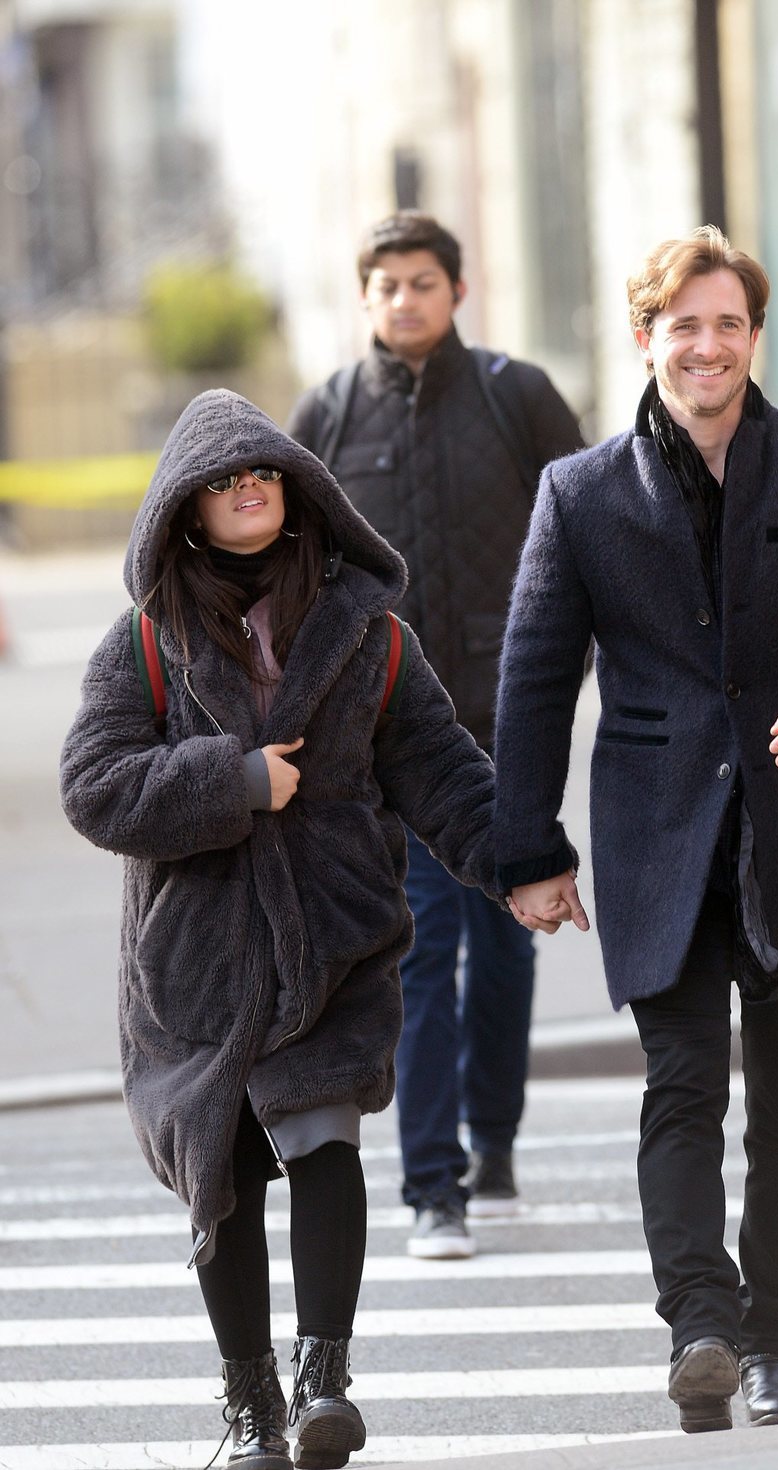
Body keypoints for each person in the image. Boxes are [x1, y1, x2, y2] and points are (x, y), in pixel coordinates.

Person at [493, 227, 778, 1434]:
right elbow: (534, 677)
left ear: (753, 336)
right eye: (681, 324)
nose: (705, 344)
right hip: (655, 835)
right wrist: (526, 849)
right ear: (645, 339)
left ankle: (773, 1347)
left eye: (726, 322)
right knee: (680, 1087)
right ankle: (698, 1323)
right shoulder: (576, 494)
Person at [60, 389, 503, 1470]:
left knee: (322, 1143)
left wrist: (523, 865)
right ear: (185, 514)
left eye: (258, 472)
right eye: (217, 482)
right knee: (224, 1179)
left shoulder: (367, 632)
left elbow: (442, 771)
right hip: (194, 965)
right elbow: (93, 787)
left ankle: (322, 1384)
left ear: (298, 490)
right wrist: (233, 778)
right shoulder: (145, 643)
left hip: (332, 938)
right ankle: (250, 1406)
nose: (243, 488)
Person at [288, 211, 583, 1259]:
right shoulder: (325, 413)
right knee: (420, 945)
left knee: (507, 936)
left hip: (512, 724)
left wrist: (579, 670)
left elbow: (591, 530)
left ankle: (492, 1143)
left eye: (423, 282)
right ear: (363, 299)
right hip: (385, 738)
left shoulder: (516, 396)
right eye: (386, 286)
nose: (404, 300)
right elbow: (290, 572)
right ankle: (432, 1187)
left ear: (456, 290)